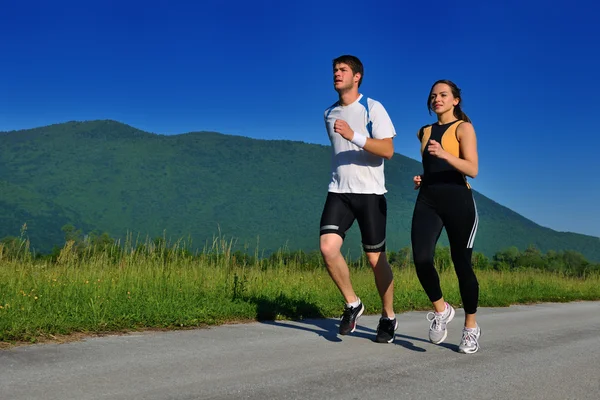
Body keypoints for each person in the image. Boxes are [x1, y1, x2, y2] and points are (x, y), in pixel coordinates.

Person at [319, 55, 398, 343]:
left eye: (343, 70)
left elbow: (387, 150)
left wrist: (354, 135)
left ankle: (388, 318)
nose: (337, 74)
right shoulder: (329, 113)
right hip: (339, 191)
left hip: (370, 194)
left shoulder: (372, 107)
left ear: (357, 77)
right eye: (334, 70)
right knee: (328, 248)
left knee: (375, 260)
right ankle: (353, 303)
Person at [411, 79, 481, 354]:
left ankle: (471, 328)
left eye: (443, 95)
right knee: (421, 258)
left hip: (458, 200)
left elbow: (472, 168)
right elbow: (434, 166)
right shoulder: (424, 131)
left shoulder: (463, 128)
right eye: (433, 95)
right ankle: (441, 309)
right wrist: (424, 177)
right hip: (428, 199)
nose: (437, 99)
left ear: (455, 100)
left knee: (461, 264)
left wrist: (444, 154)